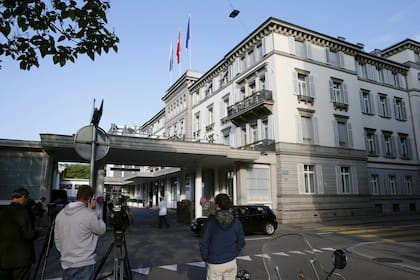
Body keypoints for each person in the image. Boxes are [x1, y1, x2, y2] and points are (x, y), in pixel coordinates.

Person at [54, 185, 106, 280]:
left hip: (67, 263)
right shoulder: (89, 215)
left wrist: (66, 254)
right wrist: (93, 211)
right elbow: (101, 229)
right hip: (85, 263)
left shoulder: (60, 214)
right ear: (90, 199)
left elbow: (57, 240)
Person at [199, 193, 245, 280]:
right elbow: (241, 241)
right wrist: (235, 253)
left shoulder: (211, 222)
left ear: (217, 205)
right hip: (231, 261)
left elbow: (203, 242)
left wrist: (206, 258)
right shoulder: (236, 221)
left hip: (214, 262)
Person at [0, 187, 36, 280]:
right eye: (27, 198)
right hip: (21, 259)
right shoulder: (23, 212)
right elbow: (29, 234)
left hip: (4, 258)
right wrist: (38, 232)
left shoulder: (2, 211)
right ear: (23, 197)